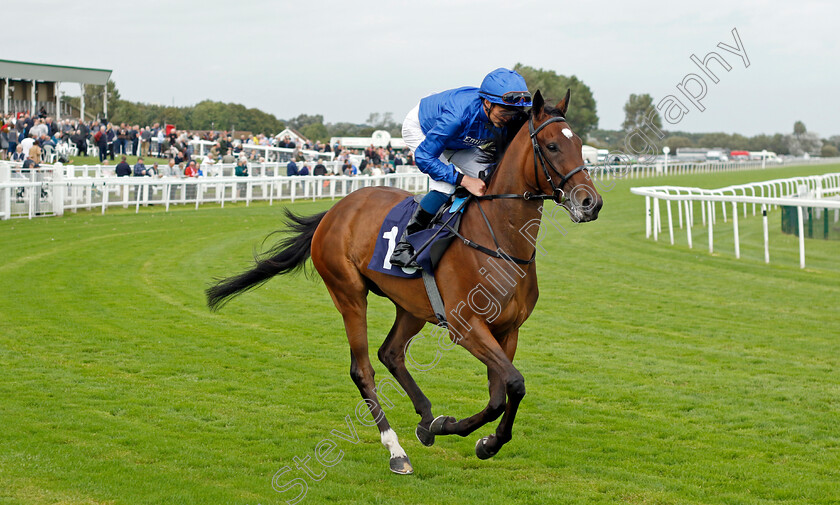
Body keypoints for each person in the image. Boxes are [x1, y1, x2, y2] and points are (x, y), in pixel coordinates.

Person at [389, 68, 532, 268]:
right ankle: (404, 246)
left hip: (459, 141)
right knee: (445, 188)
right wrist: (464, 180)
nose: (509, 118)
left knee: (491, 177)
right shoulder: (456, 116)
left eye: (514, 112)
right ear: (488, 103)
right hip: (424, 129)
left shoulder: (505, 116)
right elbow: (424, 157)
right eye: (505, 111)